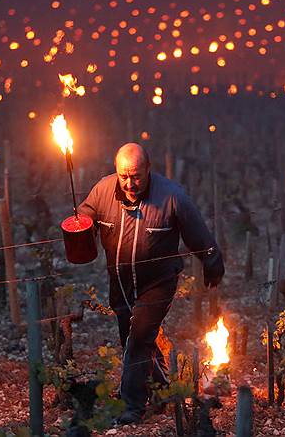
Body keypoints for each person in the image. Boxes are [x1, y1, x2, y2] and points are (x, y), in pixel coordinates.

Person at [78, 142, 225, 425]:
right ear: (116, 171)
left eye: (136, 175)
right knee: (131, 339)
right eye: (124, 176)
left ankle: (132, 405)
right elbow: (85, 216)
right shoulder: (102, 190)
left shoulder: (172, 196)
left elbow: (197, 232)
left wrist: (212, 261)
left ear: (148, 169)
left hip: (158, 281)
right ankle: (163, 390)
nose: (130, 183)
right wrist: (78, 226)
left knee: (139, 339)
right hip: (119, 280)